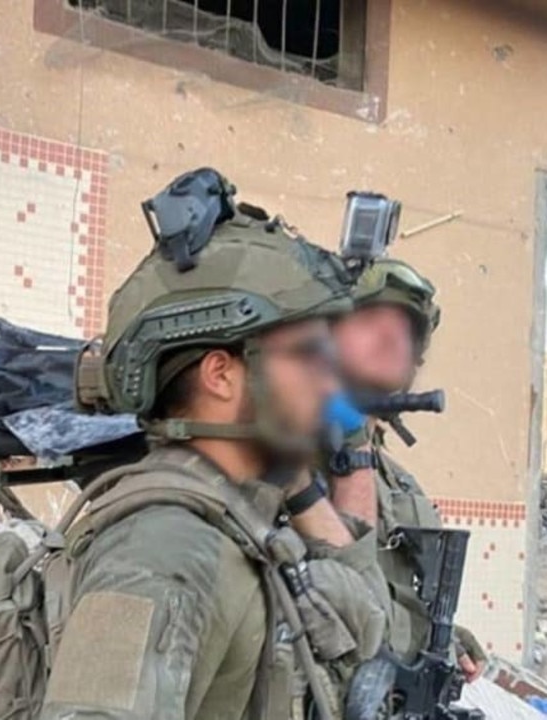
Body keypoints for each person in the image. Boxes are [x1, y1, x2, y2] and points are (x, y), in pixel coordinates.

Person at [41, 175, 387, 720]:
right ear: (222, 375)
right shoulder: (162, 551)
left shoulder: (241, 520)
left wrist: (296, 483)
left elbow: (370, 627)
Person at [329, 258, 486, 678]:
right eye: (372, 321)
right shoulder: (290, 458)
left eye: (407, 330)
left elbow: (389, 594)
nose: (391, 338)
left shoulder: (396, 480)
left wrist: (439, 641)